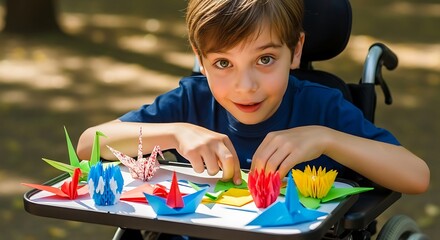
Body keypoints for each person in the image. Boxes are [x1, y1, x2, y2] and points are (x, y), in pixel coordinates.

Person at [76, 0, 429, 195]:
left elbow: (416, 176)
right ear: (200, 58)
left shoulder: (323, 107)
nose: (245, 86)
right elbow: (88, 143)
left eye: (265, 59)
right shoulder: (190, 102)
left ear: (295, 51)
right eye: (223, 63)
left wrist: (327, 139)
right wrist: (174, 133)